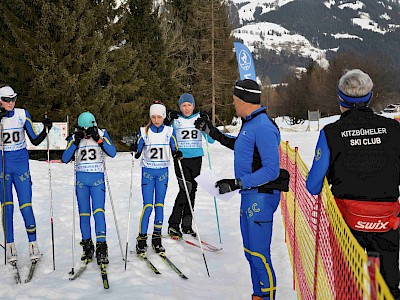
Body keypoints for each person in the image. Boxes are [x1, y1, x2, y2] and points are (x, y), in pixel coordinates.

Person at [306, 69, 400, 299]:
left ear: (340, 100)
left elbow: (313, 185)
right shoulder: (394, 129)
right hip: (385, 221)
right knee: (386, 286)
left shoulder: (331, 133)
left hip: (347, 223)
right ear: (370, 97)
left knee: (350, 286)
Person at [195, 79, 289, 300]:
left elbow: (271, 170)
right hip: (250, 195)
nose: (233, 103)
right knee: (250, 253)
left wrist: (237, 183)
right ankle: (258, 294)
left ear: (245, 100)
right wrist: (214, 133)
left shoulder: (264, 126)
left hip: (262, 197)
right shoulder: (250, 122)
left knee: (259, 255)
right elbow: (242, 146)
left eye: (236, 100)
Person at [0, 84, 52, 263]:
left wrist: (46, 129)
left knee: (26, 205)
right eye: (7, 100)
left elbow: (35, 141)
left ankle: (33, 244)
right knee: (7, 207)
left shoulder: (22, 114)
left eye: (13, 98)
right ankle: (10, 245)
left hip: (21, 166)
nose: (11, 103)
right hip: (3, 167)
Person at [62, 111, 116, 265]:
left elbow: (112, 153)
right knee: (84, 214)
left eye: (88, 130)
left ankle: (101, 247)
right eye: (83, 130)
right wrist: (75, 142)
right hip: (81, 182)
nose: (86, 134)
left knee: (99, 213)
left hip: (97, 180)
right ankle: (87, 246)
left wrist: (98, 139)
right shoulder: (75, 137)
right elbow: (65, 158)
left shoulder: (101, 133)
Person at [130, 101, 181, 254]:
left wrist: (177, 153)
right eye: (153, 117)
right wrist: (135, 149)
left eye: (159, 117)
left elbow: (175, 148)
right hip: (148, 173)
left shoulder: (169, 132)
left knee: (159, 205)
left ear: (164, 117)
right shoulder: (144, 132)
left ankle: (157, 238)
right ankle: (142, 238)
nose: (156, 120)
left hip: (162, 173)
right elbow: (138, 150)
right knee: (148, 206)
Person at [164, 93, 214, 239]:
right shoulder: (176, 120)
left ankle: (186, 225)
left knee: (192, 191)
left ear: (193, 106)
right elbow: (165, 137)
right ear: (180, 106)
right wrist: (167, 121)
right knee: (186, 188)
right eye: (184, 105)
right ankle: (173, 224)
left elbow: (210, 140)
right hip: (181, 159)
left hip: (196, 159)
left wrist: (207, 123)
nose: (186, 109)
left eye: (189, 105)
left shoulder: (198, 118)